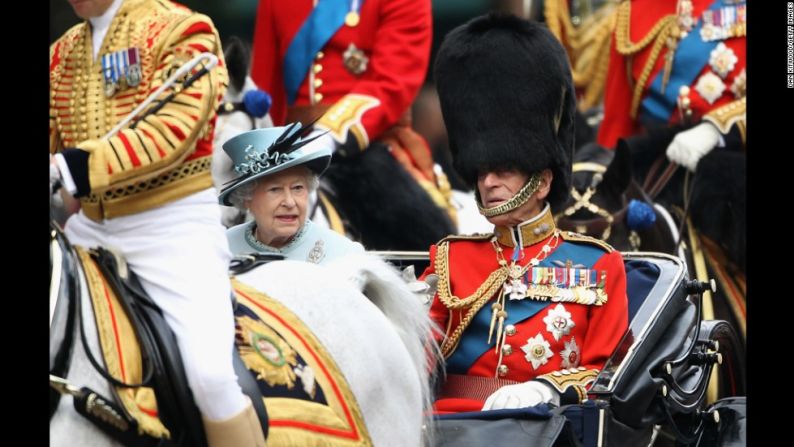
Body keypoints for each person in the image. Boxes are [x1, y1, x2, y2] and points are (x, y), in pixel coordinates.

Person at [49, 0, 266, 444]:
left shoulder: (183, 31)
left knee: (210, 376)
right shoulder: (60, 53)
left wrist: (74, 168)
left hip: (171, 231)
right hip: (87, 230)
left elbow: (173, 128)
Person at [422, 13, 629, 414]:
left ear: (543, 182)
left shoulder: (600, 265)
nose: (488, 183)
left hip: (548, 424)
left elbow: (610, 369)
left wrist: (549, 388)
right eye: (482, 172)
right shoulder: (450, 259)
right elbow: (418, 357)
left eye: (503, 171)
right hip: (452, 423)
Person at [249, 0, 456, 250]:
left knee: (425, 236)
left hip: (368, 140)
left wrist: (329, 133)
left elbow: (392, 84)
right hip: (292, 144)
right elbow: (266, 89)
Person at [597, 0, 746, 171]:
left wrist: (718, 128)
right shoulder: (635, 11)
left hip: (731, 164)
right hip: (651, 169)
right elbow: (617, 121)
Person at [219, 124, 364, 263]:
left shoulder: (343, 255)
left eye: (297, 188)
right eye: (274, 190)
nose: (289, 202)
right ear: (246, 198)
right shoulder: (222, 248)